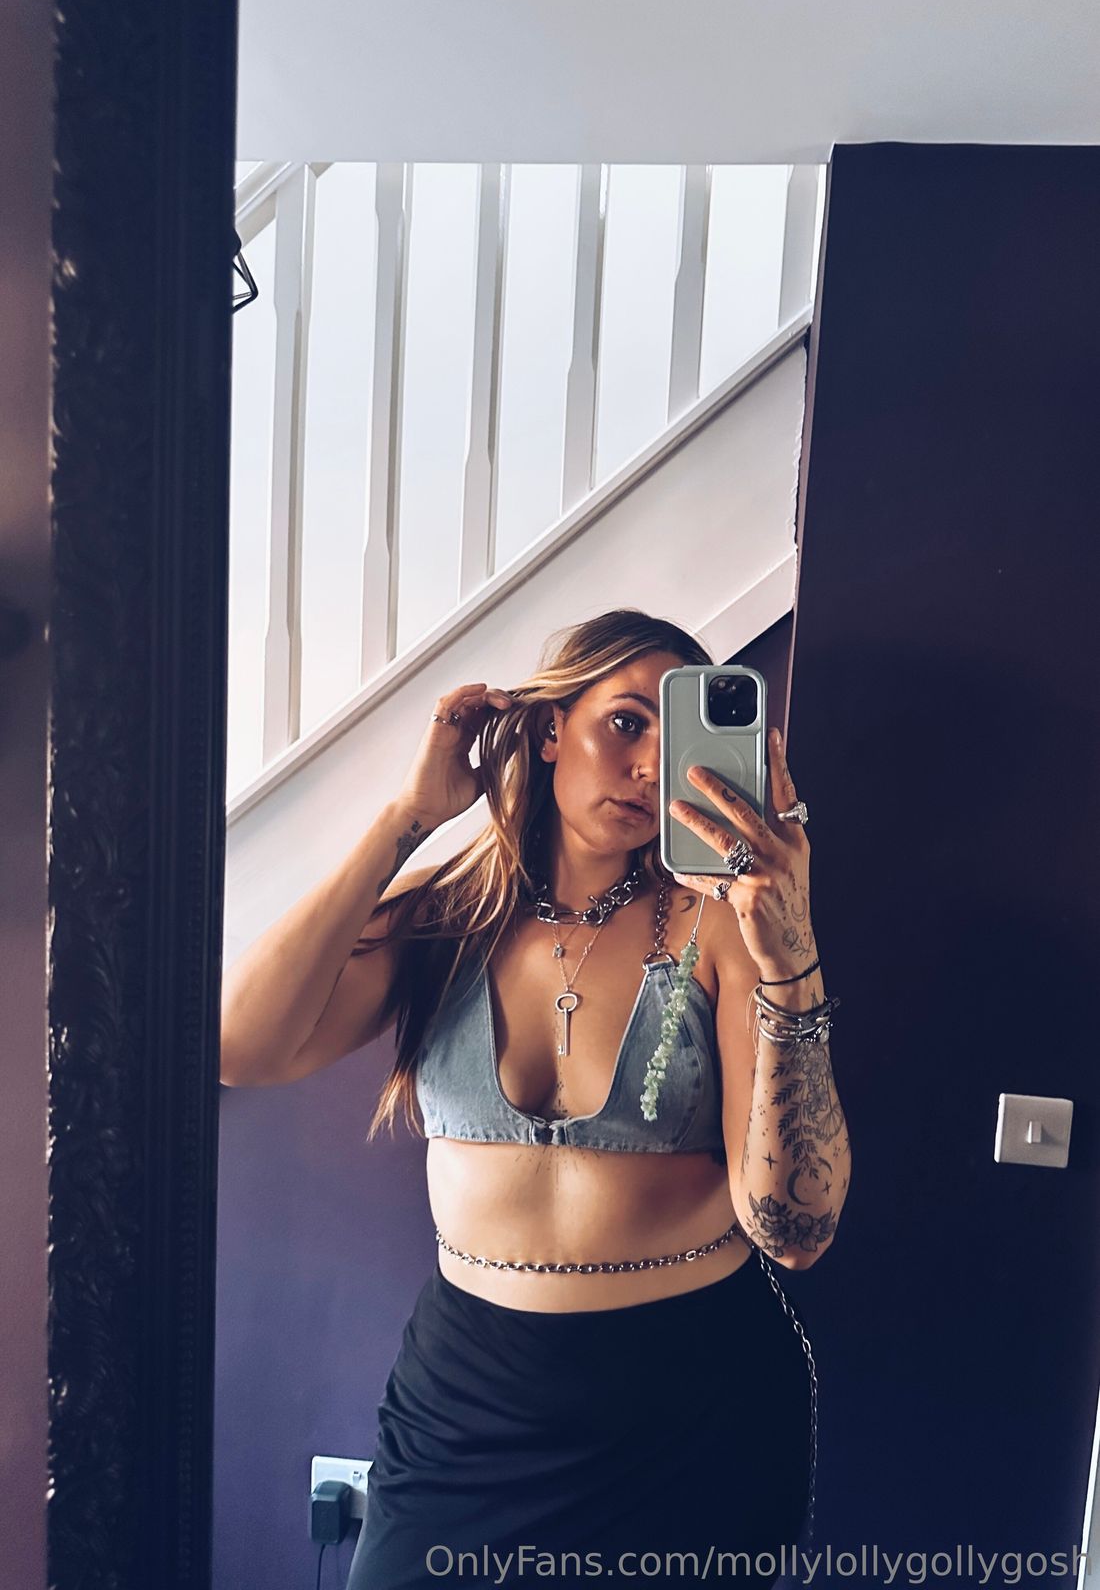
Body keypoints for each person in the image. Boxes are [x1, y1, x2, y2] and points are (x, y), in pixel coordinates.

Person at [221, 608, 850, 1589]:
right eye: (625, 722)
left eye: (673, 736)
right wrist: (406, 820)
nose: (649, 765)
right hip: (466, 1413)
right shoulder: (445, 917)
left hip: (692, 1413)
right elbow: (240, 1047)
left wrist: (790, 958)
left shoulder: (722, 928)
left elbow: (793, 1230)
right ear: (552, 729)